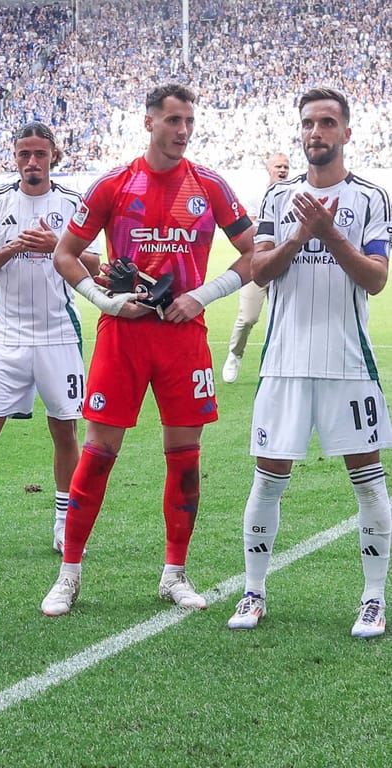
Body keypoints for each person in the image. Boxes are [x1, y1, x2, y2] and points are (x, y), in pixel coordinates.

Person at [39, 84, 255, 617]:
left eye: (189, 122)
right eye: (173, 121)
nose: (182, 131)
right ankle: (69, 573)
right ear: (148, 122)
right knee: (98, 453)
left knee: (184, 458)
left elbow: (255, 254)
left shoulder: (211, 185)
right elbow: (66, 256)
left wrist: (201, 295)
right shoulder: (116, 184)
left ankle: (174, 574)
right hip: (125, 337)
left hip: (185, 339)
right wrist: (107, 303)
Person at [227, 88, 392, 637]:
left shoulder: (371, 197)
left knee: (369, 484)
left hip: (349, 364)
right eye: (308, 124)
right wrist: (303, 232)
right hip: (285, 365)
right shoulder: (279, 198)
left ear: (346, 133)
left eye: (327, 123)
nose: (315, 133)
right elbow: (260, 271)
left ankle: (373, 598)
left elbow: (374, 278)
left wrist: (329, 232)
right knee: (267, 481)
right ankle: (254, 592)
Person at [0, 122, 97, 558]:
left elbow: (98, 263)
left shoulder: (71, 203)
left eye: (40, 154)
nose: (32, 162)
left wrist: (55, 247)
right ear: (15, 157)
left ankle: (64, 524)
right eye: (24, 154)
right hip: (8, 336)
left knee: (65, 430)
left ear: (53, 156)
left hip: (58, 335)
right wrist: (11, 248)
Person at [221, 152, 291, 384]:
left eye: (285, 167)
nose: (282, 170)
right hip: (258, 265)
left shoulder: (295, 194)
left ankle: (280, 364)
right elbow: (249, 234)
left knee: (284, 317)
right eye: (278, 166)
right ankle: (235, 354)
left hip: (285, 265)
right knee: (249, 317)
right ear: (268, 168)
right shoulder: (255, 197)